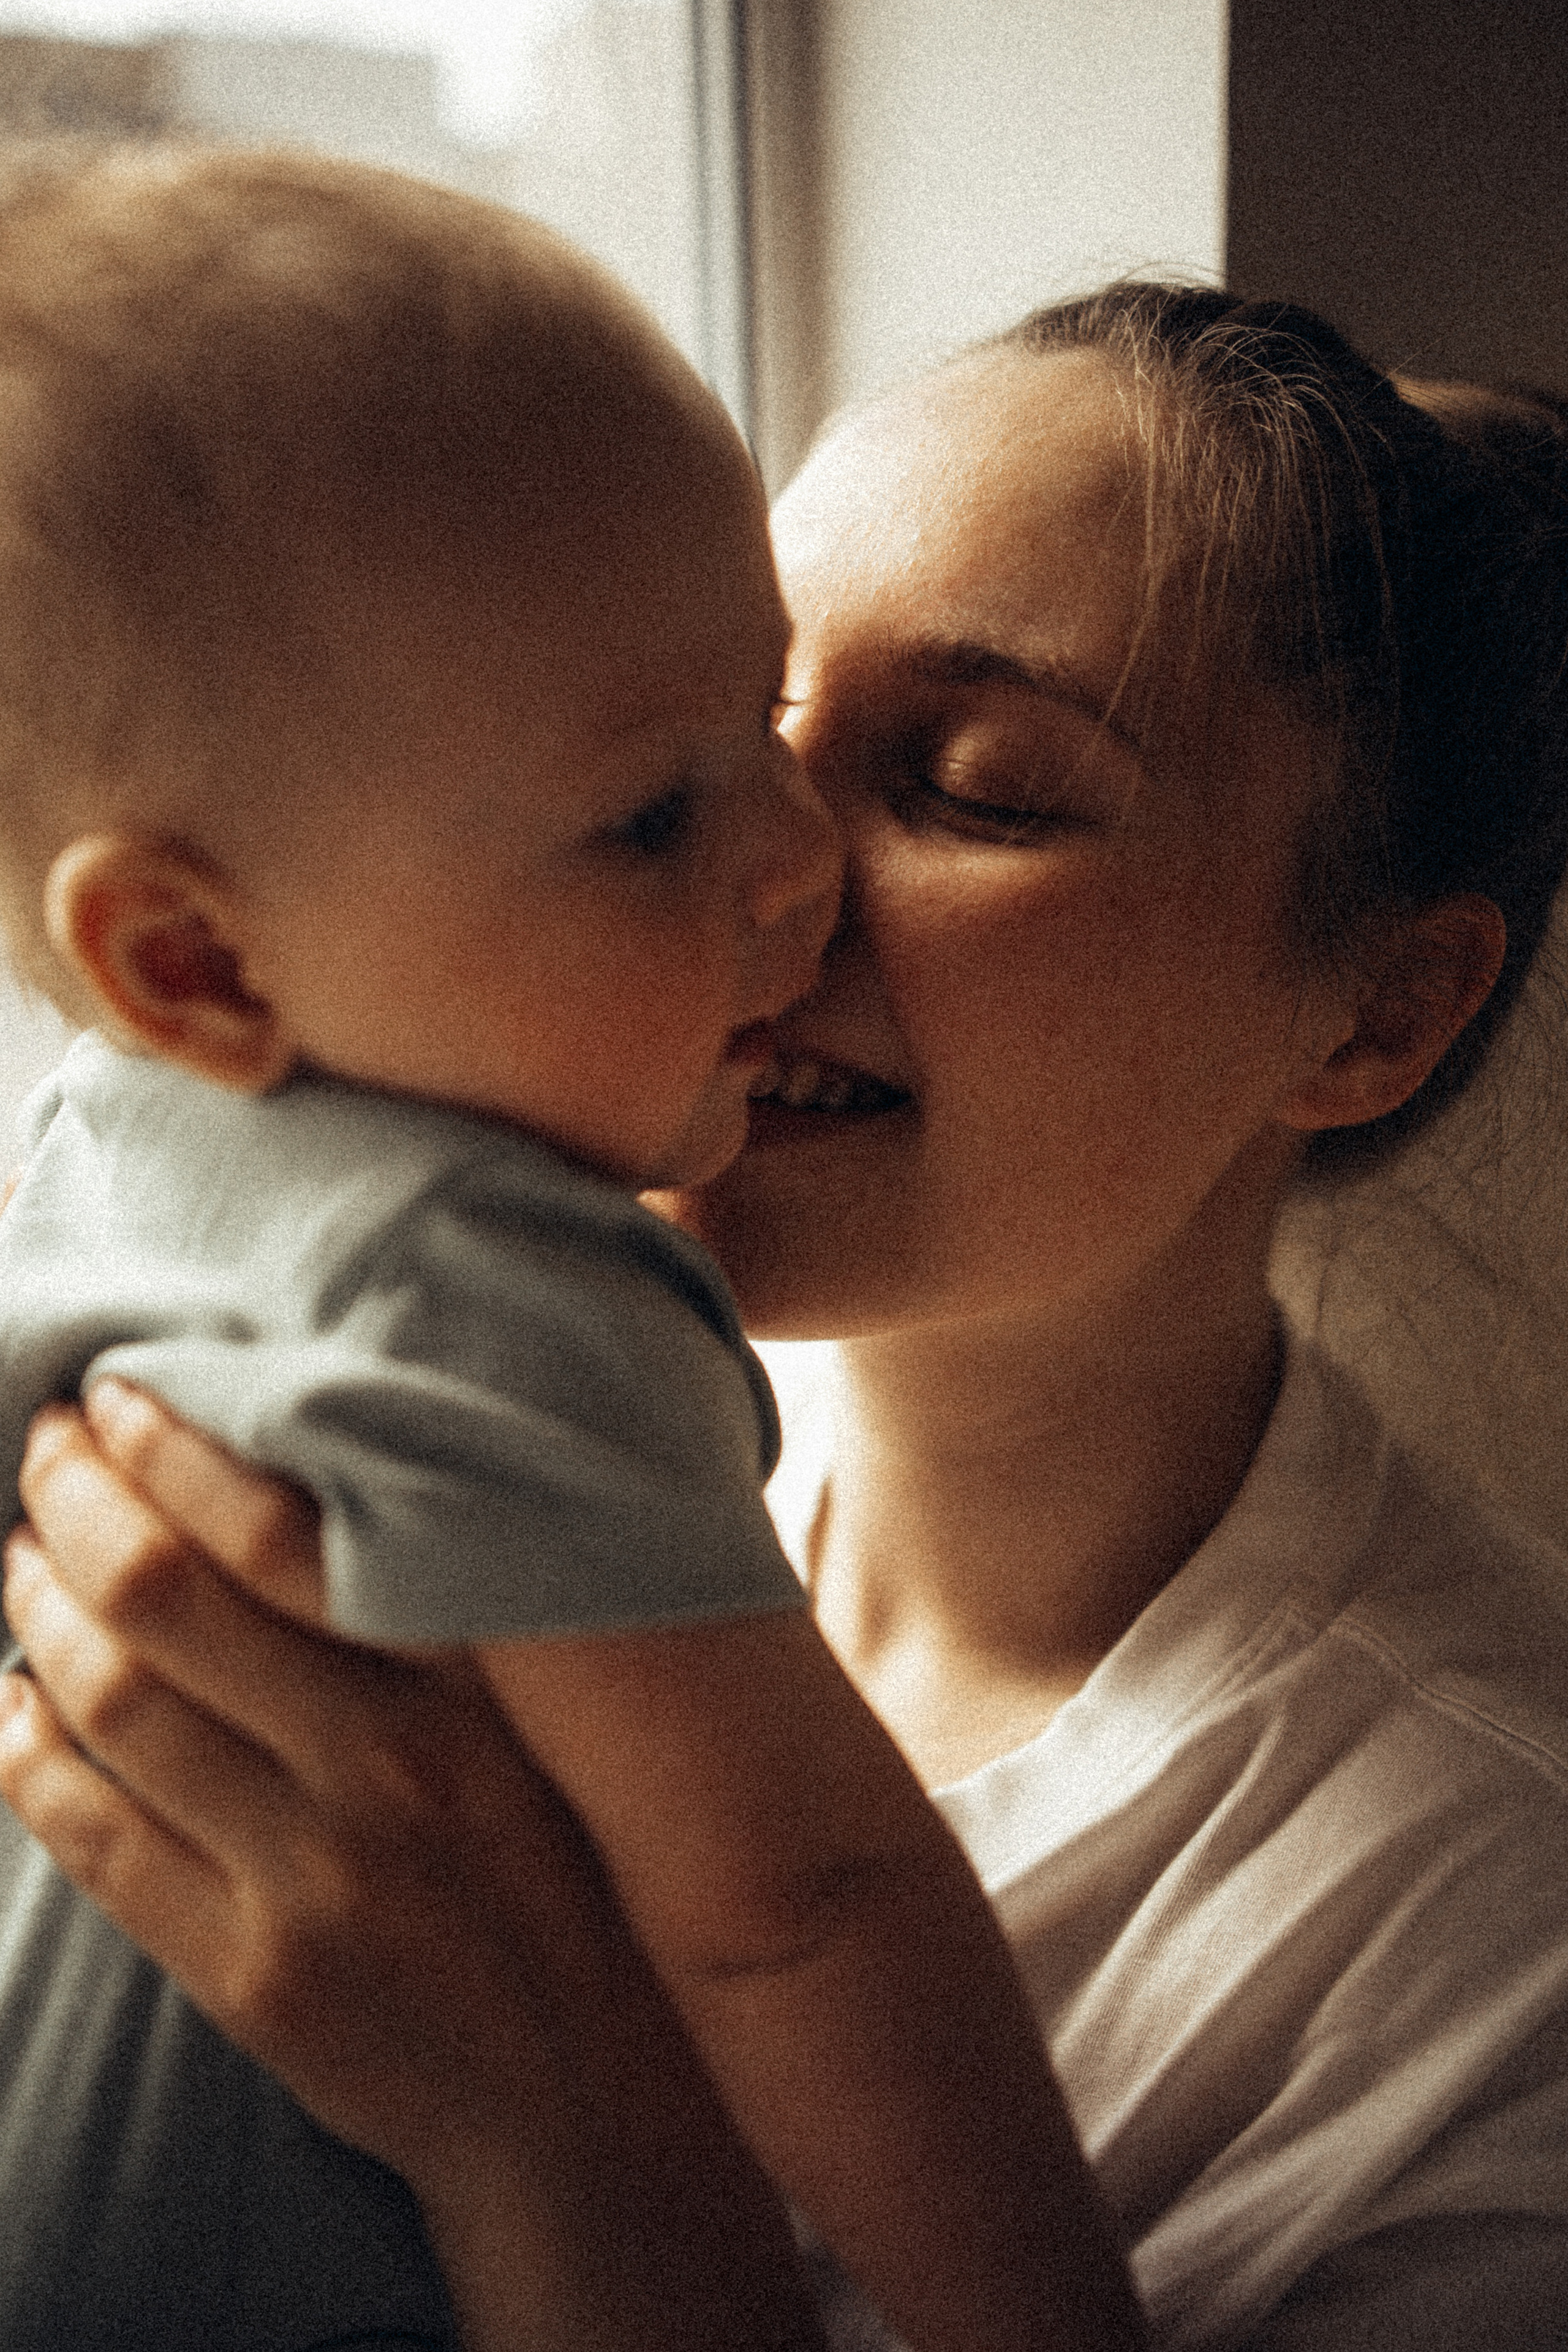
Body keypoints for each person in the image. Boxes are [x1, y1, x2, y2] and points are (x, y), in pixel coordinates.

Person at [2, 281, 1568, 2350]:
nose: (765, 870)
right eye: (717, 735)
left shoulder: (1494, 1962)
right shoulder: (337, 1369)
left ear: (1380, 1010)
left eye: (981, 785)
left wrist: (564, 2151)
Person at [0, 149, 1139, 2352]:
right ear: (191, 962)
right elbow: (800, 1915)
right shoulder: (483, 1272)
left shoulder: (102, 1148)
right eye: (648, 815)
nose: (797, 852)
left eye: (768, 709)